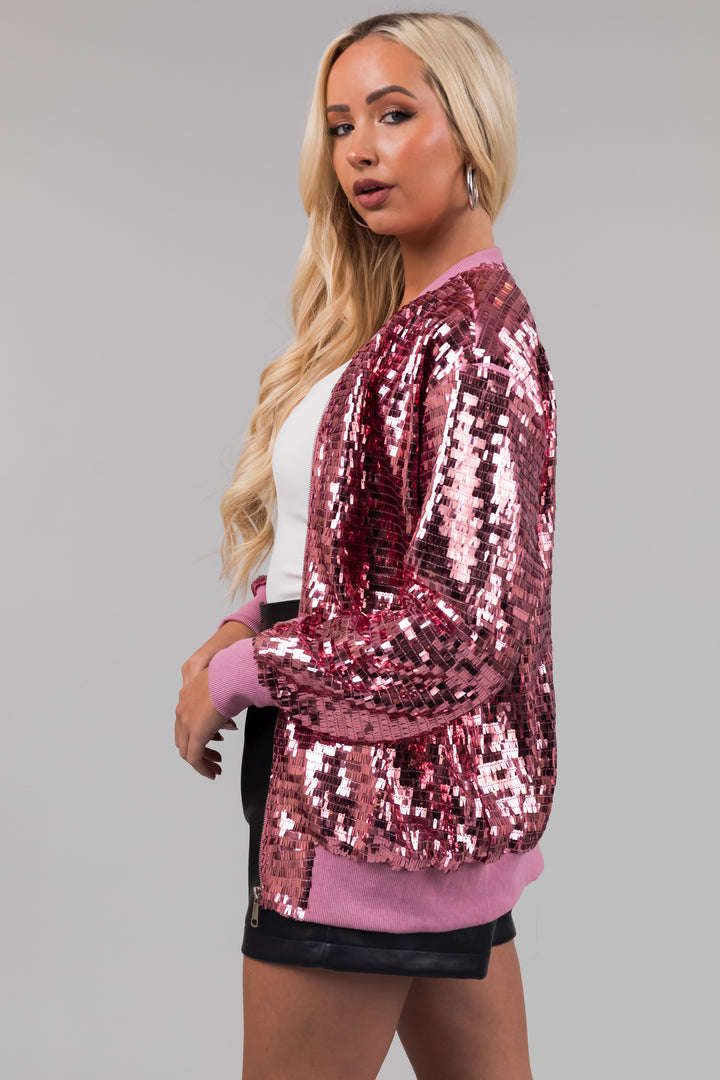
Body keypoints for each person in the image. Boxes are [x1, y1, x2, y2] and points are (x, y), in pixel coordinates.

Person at [174, 10, 557, 1080]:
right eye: (342, 125)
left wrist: (245, 673)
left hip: (368, 805)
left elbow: (457, 632)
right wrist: (243, 620)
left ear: (471, 129)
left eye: (394, 115)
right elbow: (342, 542)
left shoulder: (474, 343)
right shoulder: (406, 325)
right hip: (385, 792)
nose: (360, 151)